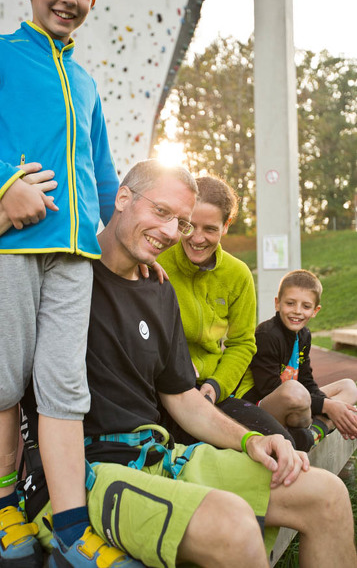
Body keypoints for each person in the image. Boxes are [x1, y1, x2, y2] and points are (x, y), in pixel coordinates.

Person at [19, 160, 357, 568]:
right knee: (234, 527)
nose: (170, 233)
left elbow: (182, 397)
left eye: (180, 222)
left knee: (326, 495)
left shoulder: (159, 290)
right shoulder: (60, 273)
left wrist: (250, 439)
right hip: (85, 471)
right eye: (162, 212)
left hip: (159, 455)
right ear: (122, 198)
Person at [0, 0, 137, 566]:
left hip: (74, 259)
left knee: (62, 388)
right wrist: (4, 189)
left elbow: (103, 174)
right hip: (11, 250)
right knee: (2, 388)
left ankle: (71, 521)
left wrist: (122, 251)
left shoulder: (85, 84)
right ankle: (4, 511)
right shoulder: (1, 56)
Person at [158, 174, 295, 445]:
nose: (197, 238)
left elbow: (242, 343)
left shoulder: (238, 275)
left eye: (209, 229)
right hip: (165, 389)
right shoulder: (156, 260)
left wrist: (214, 388)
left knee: (281, 443)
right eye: (189, 226)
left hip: (211, 390)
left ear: (226, 225)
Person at [237, 269, 357, 450]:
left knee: (348, 386)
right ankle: (322, 424)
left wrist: (329, 404)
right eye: (290, 303)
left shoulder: (303, 335)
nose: (297, 312)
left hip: (296, 403)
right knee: (294, 391)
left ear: (315, 310)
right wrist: (328, 406)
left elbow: (307, 380)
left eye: (306, 306)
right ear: (278, 304)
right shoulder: (267, 335)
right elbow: (268, 389)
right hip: (258, 407)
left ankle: (313, 431)